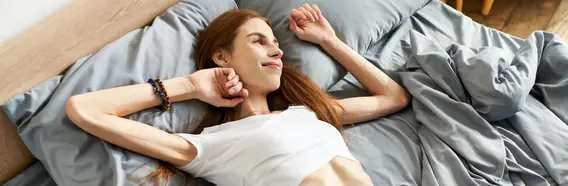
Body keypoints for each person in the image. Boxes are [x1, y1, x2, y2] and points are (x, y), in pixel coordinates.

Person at [66, 4, 410, 186]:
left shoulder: (307, 112)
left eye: (276, 44)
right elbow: (84, 109)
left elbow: (393, 96)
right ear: (222, 57)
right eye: (259, 41)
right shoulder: (212, 146)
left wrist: (329, 41)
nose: (276, 51)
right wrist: (188, 85)